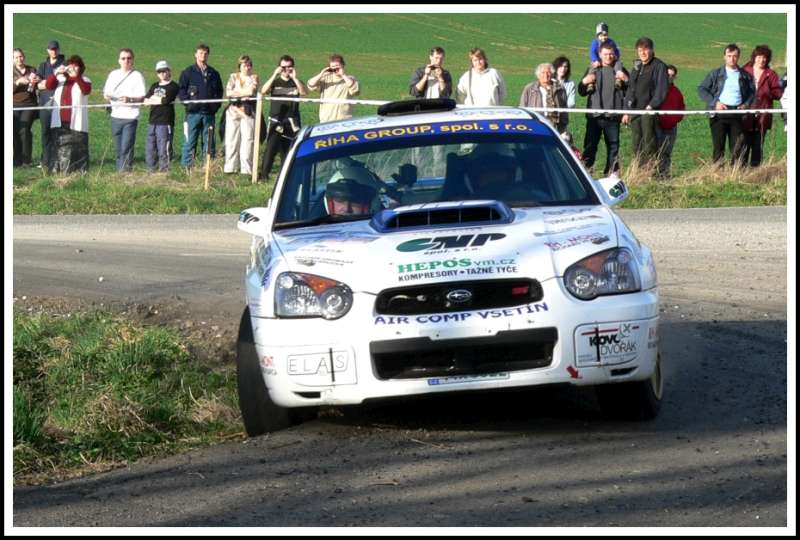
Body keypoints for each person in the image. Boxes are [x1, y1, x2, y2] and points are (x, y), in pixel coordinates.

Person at [697, 43, 755, 166]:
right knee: (718, 149)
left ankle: (734, 174)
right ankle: (718, 173)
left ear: (738, 57)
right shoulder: (716, 74)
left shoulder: (745, 75)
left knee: (737, 149)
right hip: (719, 115)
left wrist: (746, 104)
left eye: (735, 56)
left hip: (737, 114)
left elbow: (752, 92)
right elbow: (702, 89)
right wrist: (715, 103)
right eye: (729, 56)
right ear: (724, 57)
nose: (732, 59)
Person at [578, 41, 628, 177]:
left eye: (611, 54)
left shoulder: (620, 69)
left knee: (613, 147)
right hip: (594, 116)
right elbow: (581, 91)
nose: (608, 57)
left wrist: (625, 79)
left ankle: (611, 174)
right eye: (605, 54)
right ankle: (586, 173)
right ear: (600, 54)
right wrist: (584, 81)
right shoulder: (593, 68)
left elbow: (630, 91)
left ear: (615, 54)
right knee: (590, 146)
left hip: (613, 116)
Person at [622, 37, 669, 167]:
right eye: (639, 50)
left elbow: (662, 89)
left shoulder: (659, 66)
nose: (642, 53)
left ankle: (651, 171)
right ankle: (638, 170)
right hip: (635, 111)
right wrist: (626, 111)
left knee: (650, 143)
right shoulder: (637, 67)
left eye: (645, 49)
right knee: (636, 143)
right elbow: (631, 89)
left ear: (652, 50)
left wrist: (651, 105)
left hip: (649, 111)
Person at [259, 55, 308, 181]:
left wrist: (295, 78)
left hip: (292, 121)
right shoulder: (275, 82)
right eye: (283, 67)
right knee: (271, 148)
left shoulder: (296, 82)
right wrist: (274, 75)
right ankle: (264, 175)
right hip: (276, 120)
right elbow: (263, 91)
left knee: (289, 150)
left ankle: (286, 177)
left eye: (289, 67)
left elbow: (303, 92)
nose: (286, 69)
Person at [43, 55, 91, 174]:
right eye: (71, 65)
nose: (73, 68)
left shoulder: (85, 80)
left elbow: (86, 90)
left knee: (76, 148)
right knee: (59, 148)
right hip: (59, 120)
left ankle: (77, 171)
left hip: (76, 121)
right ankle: (58, 172)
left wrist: (76, 77)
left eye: (76, 65)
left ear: (80, 68)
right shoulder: (60, 79)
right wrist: (56, 73)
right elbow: (48, 85)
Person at [178, 43, 224, 168]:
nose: (203, 55)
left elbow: (219, 91)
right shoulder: (188, 72)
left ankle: (208, 167)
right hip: (193, 114)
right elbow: (181, 90)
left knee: (209, 143)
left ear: (208, 55)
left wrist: (215, 107)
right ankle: (187, 169)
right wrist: (189, 104)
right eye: (200, 53)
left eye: (205, 53)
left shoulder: (214, 73)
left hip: (208, 114)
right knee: (190, 141)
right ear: (195, 55)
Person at [103, 48, 147, 172]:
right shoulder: (113, 74)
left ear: (133, 60)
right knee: (118, 149)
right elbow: (106, 92)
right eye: (123, 58)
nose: (126, 60)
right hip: (115, 116)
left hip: (130, 117)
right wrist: (108, 96)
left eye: (129, 58)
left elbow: (142, 97)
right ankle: (119, 172)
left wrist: (130, 99)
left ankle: (126, 172)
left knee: (126, 147)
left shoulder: (137, 76)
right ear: (119, 60)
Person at [741, 45, 784, 167]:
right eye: (759, 57)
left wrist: (770, 91)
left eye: (765, 57)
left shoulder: (771, 74)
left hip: (762, 116)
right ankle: (741, 171)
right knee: (743, 145)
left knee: (758, 146)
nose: (762, 60)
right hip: (745, 115)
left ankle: (756, 172)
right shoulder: (744, 71)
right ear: (754, 57)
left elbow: (778, 94)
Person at [223, 55, 259, 175]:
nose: (247, 68)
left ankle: (246, 170)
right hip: (233, 110)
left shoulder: (254, 77)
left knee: (248, 140)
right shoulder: (233, 76)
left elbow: (251, 91)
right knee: (231, 139)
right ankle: (230, 168)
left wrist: (236, 93)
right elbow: (228, 92)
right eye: (244, 65)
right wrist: (243, 94)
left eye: (249, 65)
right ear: (240, 66)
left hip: (248, 111)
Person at [143, 60, 179, 172]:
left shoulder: (173, 86)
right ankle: (151, 169)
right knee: (150, 147)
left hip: (165, 121)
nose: (162, 73)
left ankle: (164, 170)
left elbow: (166, 100)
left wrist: (154, 99)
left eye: (164, 71)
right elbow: (146, 101)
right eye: (159, 71)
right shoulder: (154, 85)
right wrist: (158, 100)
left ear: (169, 71)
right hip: (152, 121)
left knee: (163, 147)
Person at [36, 40, 65, 168]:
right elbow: (38, 85)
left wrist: (46, 83)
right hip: (44, 103)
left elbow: (60, 83)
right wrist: (48, 83)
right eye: (51, 49)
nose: (54, 51)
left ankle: (58, 160)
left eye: (55, 49)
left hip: (60, 103)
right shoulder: (43, 66)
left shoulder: (64, 64)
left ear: (58, 50)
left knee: (59, 132)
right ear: (47, 50)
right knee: (45, 131)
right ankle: (45, 160)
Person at [307, 54, 360, 123]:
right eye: (332, 67)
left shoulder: (350, 79)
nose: (335, 69)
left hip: (344, 120)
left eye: (337, 66)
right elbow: (310, 84)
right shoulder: (325, 79)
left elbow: (355, 90)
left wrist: (343, 75)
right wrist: (321, 74)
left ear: (343, 65)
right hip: (326, 119)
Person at [655, 65, 686, 179]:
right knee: (655, 151)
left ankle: (665, 174)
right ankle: (653, 174)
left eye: (672, 76)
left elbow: (681, 108)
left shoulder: (676, 92)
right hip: (657, 125)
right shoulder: (655, 90)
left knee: (667, 152)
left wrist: (676, 119)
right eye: (668, 75)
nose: (669, 77)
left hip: (671, 127)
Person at [519, 63, 568, 133]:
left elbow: (564, 108)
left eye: (548, 72)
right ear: (538, 75)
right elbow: (522, 107)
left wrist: (563, 125)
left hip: (553, 124)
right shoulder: (529, 89)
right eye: (543, 72)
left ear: (552, 74)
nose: (546, 75)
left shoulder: (560, 88)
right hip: (535, 122)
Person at [13, 48, 41, 167]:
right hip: (14, 106)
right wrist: (17, 83)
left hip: (29, 105)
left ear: (24, 57)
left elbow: (38, 85)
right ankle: (17, 159)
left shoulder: (32, 70)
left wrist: (37, 80)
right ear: (12, 59)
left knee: (24, 130)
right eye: (16, 57)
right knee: (14, 131)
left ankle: (26, 161)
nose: (19, 59)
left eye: (21, 56)